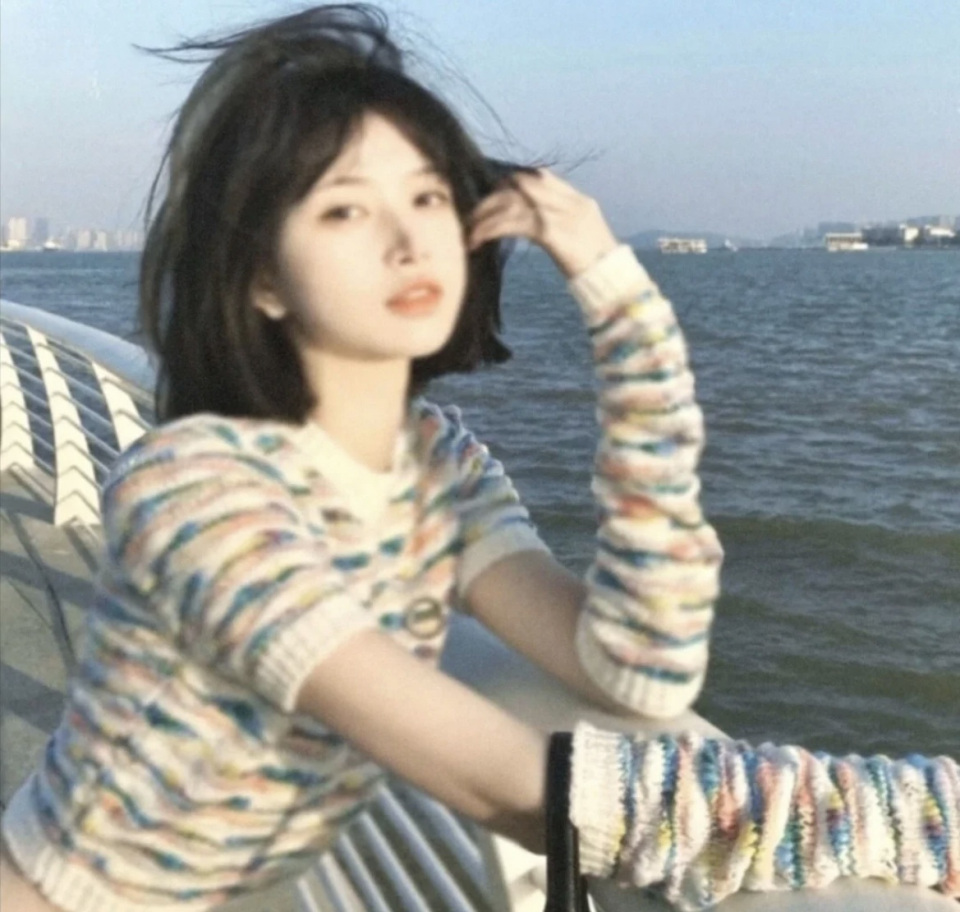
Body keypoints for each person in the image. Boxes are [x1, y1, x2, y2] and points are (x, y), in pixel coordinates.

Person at [0, 6, 955, 911]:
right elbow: (516, 787)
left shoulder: (433, 466)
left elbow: (640, 671)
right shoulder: (196, 501)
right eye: (345, 210)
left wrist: (621, 303)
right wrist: (912, 815)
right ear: (261, 278)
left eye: (426, 196)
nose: (408, 238)